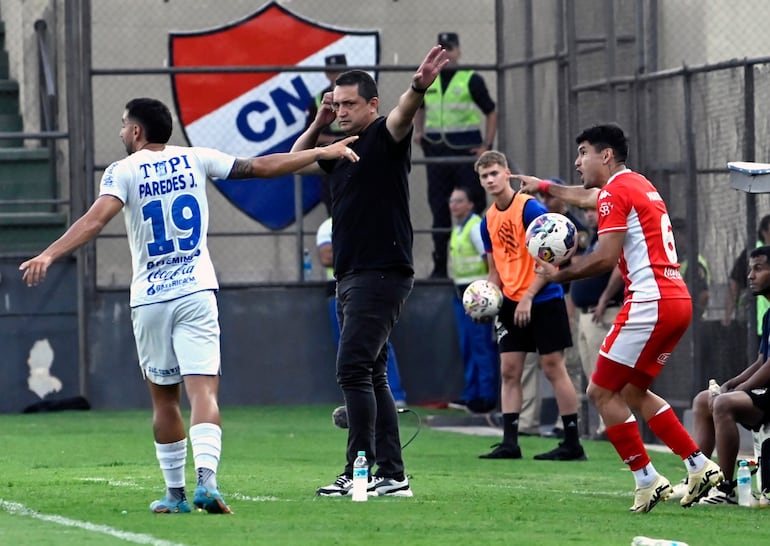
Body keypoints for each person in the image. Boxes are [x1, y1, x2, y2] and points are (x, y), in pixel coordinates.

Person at [18, 97, 359, 514]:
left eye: (125, 125)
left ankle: (175, 494)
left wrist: (49, 254)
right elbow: (262, 166)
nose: (123, 132)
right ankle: (208, 484)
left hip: (150, 298)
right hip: (196, 291)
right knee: (204, 393)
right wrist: (323, 151)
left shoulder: (121, 171)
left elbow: (93, 221)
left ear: (138, 132)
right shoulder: (197, 158)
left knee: (164, 400)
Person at [517, 123, 723, 513]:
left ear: (605, 155)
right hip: (675, 300)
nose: (578, 162)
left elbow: (606, 257)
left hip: (649, 303)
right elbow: (589, 196)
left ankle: (647, 478)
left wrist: (559, 274)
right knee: (630, 391)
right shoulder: (636, 184)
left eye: (583, 153)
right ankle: (698, 466)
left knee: (599, 392)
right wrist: (545, 187)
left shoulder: (616, 192)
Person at [291, 46, 450, 498]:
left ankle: (357, 471)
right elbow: (296, 158)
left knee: (353, 369)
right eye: (335, 103)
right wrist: (320, 124)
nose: (341, 111)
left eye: (349, 104)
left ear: (371, 105)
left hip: (381, 272)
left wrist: (418, 86)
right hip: (351, 274)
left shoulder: (384, 135)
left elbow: (403, 113)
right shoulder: (338, 147)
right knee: (372, 373)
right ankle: (393, 476)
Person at [474, 150, 586, 462]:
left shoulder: (529, 208)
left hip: (544, 299)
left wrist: (528, 296)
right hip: (510, 302)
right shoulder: (488, 221)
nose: (491, 180)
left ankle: (572, 442)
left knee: (553, 367)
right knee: (509, 371)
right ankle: (510, 442)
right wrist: (486, 301)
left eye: (495, 173)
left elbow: (549, 256)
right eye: (485, 176)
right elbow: (494, 270)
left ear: (507, 172)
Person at [672, 245, 770, 505]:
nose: (750, 275)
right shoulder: (769, 313)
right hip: (763, 392)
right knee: (704, 399)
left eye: (758, 269)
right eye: (750, 269)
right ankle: (700, 477)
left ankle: (725, 487)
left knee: (724, 403)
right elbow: (762, 360)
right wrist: (729, 384)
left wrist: (737, 391)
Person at [414, 32, 497, 278]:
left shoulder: (471, 79)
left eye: (450, 49)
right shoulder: (430, 78)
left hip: (464, 153)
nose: (446, 54)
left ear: (458, 52)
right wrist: (418, 132)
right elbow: (418, 106)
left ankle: (484, 263)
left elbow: (491, 111)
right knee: (439, 209)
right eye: (442, 50)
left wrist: (486, 144)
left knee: (473, 206)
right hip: (437, 153)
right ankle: (440, 267)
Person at [316, 216, 408, 407]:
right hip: (339, 288)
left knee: (379, 342)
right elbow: (326, 257)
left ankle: (394, 395)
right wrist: (360, 251)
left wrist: (348, 250)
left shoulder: (370, 219)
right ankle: (359, 397)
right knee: (347, 345)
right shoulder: (328, 226)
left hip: (368, 286)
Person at [569, 207, 624, 439]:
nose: (589, 215)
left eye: (593, 210)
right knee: (592, 374)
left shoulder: (611, 237)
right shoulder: (594, 237)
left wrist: (603, 299)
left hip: (604, 313)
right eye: (585, 211)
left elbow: (621, 267)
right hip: (585, 315)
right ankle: (606, 427)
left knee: (603, 375)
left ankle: (611, 428)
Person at [446, 186, 499, 414]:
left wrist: (487, 289)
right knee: (468, 345)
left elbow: (488, 259)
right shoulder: (459, 228)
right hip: (461, 295)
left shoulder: (474, 226)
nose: (454, 205)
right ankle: (472, 394)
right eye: (452, 201)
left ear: (470, 204)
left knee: (481, 345)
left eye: (459, 201)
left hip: (477, 294)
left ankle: (486, 397)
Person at [305, 54, 349, 214]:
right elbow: (310, 134)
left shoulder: (360, 97)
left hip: (353, 159)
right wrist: (336, 141)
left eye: (339, 72)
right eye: (332, 72)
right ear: (326, 74)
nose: (335, 76)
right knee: (332, 205)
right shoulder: (319, 100)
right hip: (329, 161)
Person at [723, 214, 770, 331]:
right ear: (764, 232)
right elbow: (735, 281)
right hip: (759, 323)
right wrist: (728, 313)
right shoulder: (753, 252)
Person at [671, 217, 710, 319]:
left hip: (691, 324)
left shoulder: (695, 263)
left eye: (675, 236)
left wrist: (691, 319)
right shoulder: (673, 261)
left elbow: (703, 296)